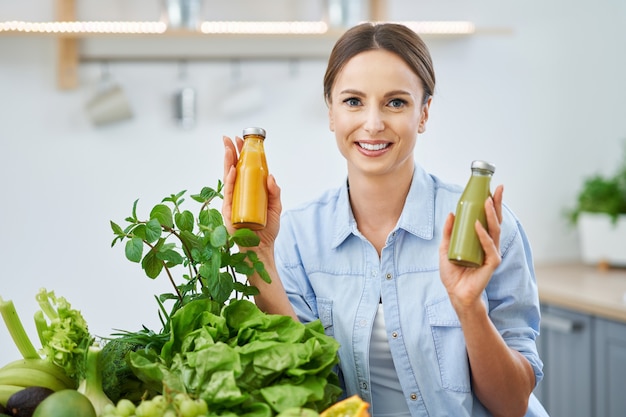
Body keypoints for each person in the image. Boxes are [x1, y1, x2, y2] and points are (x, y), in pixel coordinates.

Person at [222, 22, 548, 417]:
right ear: (331, 112)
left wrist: (469, 307)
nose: (373, 123)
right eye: (353, 101)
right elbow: (306, 384)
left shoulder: (485, 230)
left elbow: (513, 404)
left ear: (423, 113)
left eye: (396, 102)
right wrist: (258, 257)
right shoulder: (298, 237)